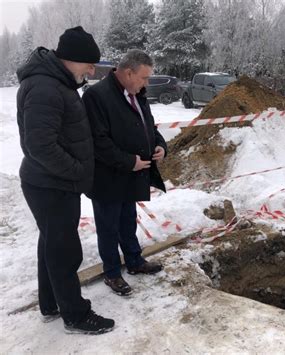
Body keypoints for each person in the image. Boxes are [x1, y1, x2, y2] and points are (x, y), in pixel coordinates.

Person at [16, 26, 114, 334]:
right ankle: (76, 315)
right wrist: (76, 170)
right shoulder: (46, 87)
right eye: (89, 63)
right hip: (52, 184)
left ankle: (51, 304)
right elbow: (40, 145)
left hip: (52, 182)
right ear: (72, 59)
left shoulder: (58, 82)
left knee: (52, 245)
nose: (92, 69)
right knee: (65, 250)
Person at [82, 49, 167, 296]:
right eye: (144, 78)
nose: (146, 83)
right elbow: (98, 141)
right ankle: (112, 273)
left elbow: (148, 126)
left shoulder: (136, 93)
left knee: (128, 221)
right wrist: (130, 161)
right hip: (107, 178)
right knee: (108, 227)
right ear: (128, 73)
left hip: (132, 175)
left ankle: (134, 261)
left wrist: (161, 145)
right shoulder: (96, 96)